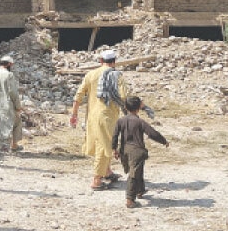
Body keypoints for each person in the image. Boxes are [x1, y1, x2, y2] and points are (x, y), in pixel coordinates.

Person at [70, 49, 128, 190]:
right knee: (105, 145)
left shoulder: (91, 74)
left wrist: (74, 114)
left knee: (101, 143)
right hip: (107, 116)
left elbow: (79, 95)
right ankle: (96, 180)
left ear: (101, 61)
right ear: (114, 62)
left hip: (92, 116)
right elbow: (124, 96)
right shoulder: (117, 76)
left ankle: (107, 172)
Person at [112, 96, 169, 208]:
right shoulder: (140, 122)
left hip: (124, 150)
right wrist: (164, 141)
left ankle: (140, 191)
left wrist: (114, 149)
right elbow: (152, 133)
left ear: (125, 107)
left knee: (137, 170)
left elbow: (114, 136)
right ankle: (130, 199)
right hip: (137, 151)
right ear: (138, 108)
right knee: (134, 174)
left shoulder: (120, 121)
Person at [0, 56, 22, 156]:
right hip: (6, 105)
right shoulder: (9, 75)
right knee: (17, 122)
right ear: (9, 64)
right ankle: (14, 145)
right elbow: (13, 93)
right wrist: (18, 106)